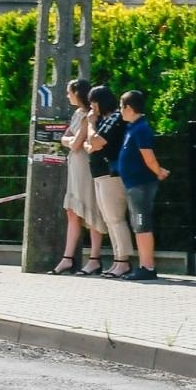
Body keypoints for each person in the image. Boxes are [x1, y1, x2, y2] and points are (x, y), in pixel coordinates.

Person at [114, 89, 170, 281]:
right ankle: (144, 265)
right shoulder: (133, 127)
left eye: (121, 106)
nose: (119, 110)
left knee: (141, 223)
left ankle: (147, 266)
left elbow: (148, 157)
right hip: (133, 184)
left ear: (129, 108)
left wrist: (158, 171)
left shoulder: (141, 129)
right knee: (138, 224)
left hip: (141, 184)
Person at [55, 78, 105, 275]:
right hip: (75, 164)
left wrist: (68, 141)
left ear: (77, 93)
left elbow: (74, 143)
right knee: (72, 211)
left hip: (85, 165)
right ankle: (68, 257)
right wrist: (69, 140)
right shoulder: (77, 114)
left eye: (70, 92)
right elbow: (67, 137)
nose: (68, 96)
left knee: (91, 208)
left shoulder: (88, 116)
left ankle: (94, 258)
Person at [83, 85, 134, 276]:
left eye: (93, 102)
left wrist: (90, 124)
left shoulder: (114, 118)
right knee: (109, 218)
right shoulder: (103, 121)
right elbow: (90, 145)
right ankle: (117, 258)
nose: (91, 107)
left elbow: (95, 142)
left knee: (115, 218)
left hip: (111, 174)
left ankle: (123, 261)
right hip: (100, 174)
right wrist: (93, 136)